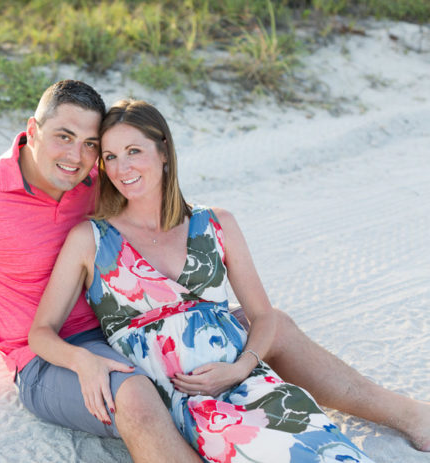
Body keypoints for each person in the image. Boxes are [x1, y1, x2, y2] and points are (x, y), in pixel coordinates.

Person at [0, 80, 430, 459]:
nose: (82, 157)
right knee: (136, 393)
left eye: (93, 146)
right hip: (52, 356)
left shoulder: (99, 178)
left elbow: (153, 201)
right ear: (33, 128)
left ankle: (408, 415)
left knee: (269, 324)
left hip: (127, 326)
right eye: (64, 137)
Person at [29, 99, 377, 461]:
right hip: (188, 403)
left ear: (164, 151)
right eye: (111, 156)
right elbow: (41, 332)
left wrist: (239, 368)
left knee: (323, 446)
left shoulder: (216, 222)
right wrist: (83, 361)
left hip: (248, 380)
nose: (122, 168)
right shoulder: (91, 239)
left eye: (134, 151)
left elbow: (263, 315)